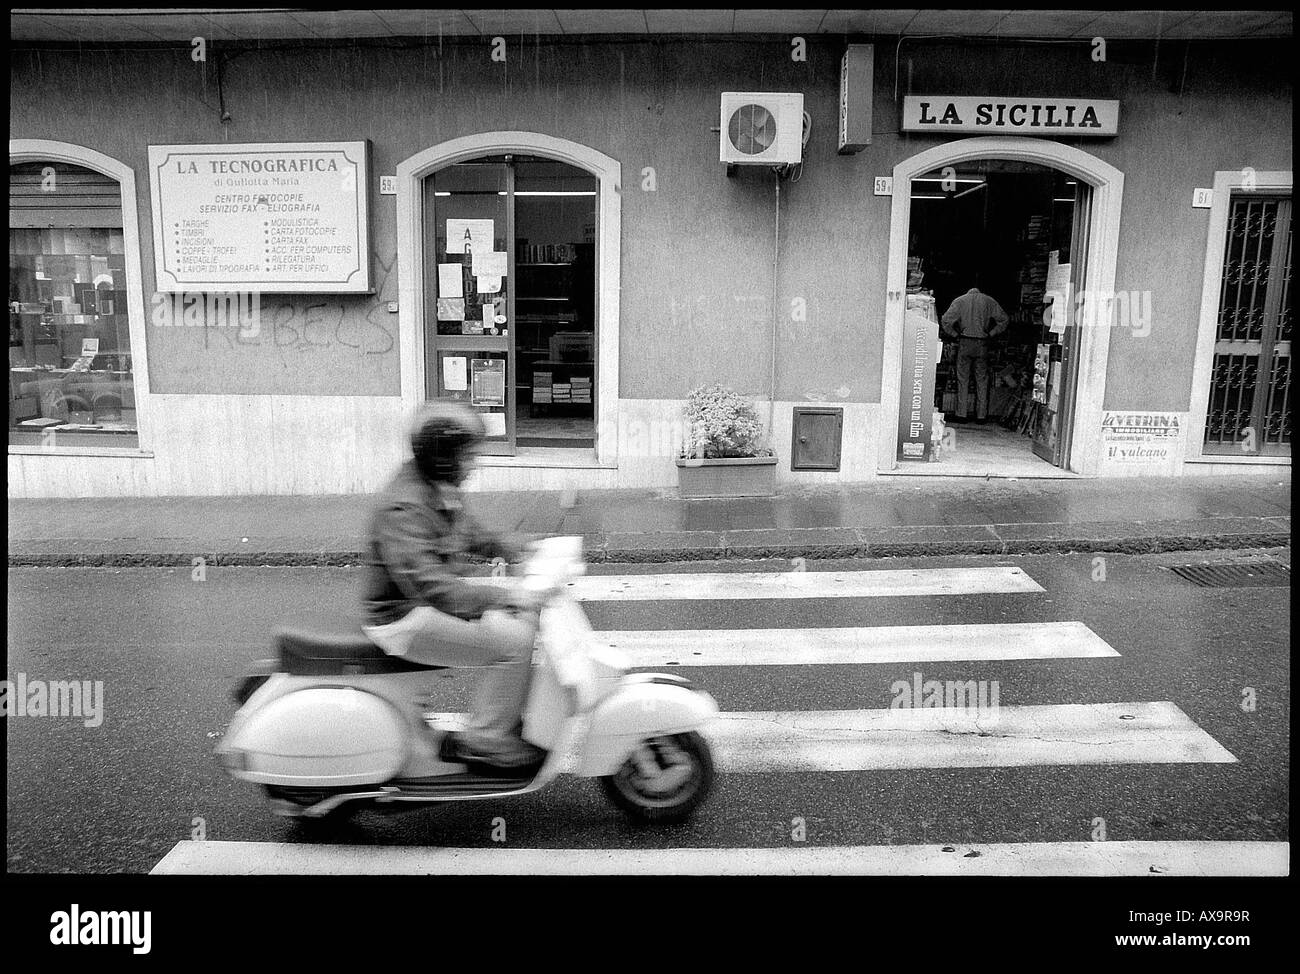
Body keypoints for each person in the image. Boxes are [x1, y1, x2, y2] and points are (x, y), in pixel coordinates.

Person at [361, 399, 547, 774]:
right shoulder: (405, 509)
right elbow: (433, 588)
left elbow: (466, 532)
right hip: (402, 618)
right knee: (514, 641)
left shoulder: (434, 486)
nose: (473, 463)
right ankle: (487, 739)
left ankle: (502, 720)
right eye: (468, 455)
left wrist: (511, 546)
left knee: (521, 623)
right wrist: (503, 595)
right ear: (443, 456)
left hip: (419, 606)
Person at [940, 275, 1009, 424]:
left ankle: (961, 414)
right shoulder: (989, 301)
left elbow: (945, 321)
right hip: (982, 342)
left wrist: (954, 334)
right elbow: (1004, 320)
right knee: (981, 380)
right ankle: (981, 416)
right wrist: (992, 333)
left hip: (964, 341)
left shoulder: (959, 301)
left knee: (962, 379)